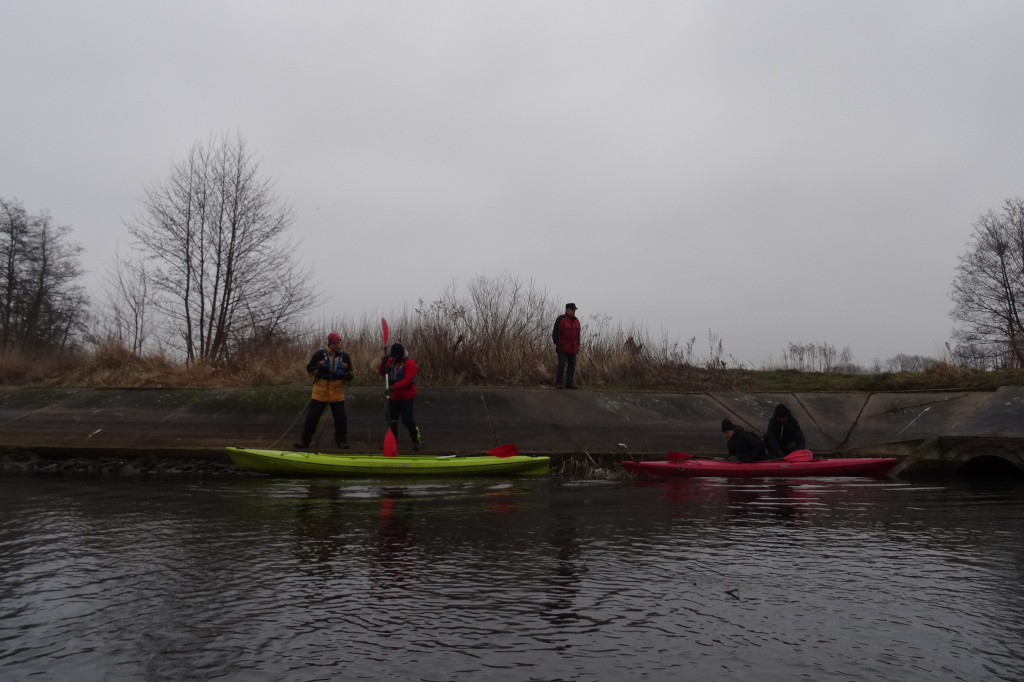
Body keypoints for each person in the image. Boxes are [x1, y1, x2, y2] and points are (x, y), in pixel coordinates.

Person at [294, 332, 354, 449]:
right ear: (329, 343)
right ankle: (304, 441)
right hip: (320, 393)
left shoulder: (345, 357)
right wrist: (318, 369)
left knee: (341, 419)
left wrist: (348, 376)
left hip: (337, 394)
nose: (337, 345)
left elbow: (350, 372)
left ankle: (341, 442)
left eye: (338, 343)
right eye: (335, 343)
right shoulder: (319, 355)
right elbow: (309, 369)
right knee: (312, 418)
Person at [378, 342, 422, 450]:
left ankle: (416, 439)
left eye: (396, 356)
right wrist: (382, 364)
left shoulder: (410, 363)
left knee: (407, 419)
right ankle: (393, 442)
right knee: (391, 419)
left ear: (401, 354)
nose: (395, 358)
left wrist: (393, 387)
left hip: (407, 395)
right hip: (394, 396)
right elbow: (382, 372)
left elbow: (407, 381)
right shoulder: (391, 360)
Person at [551, 302, 581, 389]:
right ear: (567, 310)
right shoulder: (561, 319)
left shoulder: (576, 321)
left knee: (572, 365)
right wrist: (557, 343)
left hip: (573, 347)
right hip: (563, 347)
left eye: (574, 310)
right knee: (561, 365)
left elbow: (578, 334)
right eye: (572, 310)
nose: (573, 312)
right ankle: (559, 382)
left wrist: (578, 345)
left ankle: (569, 383)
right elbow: (555, 332)